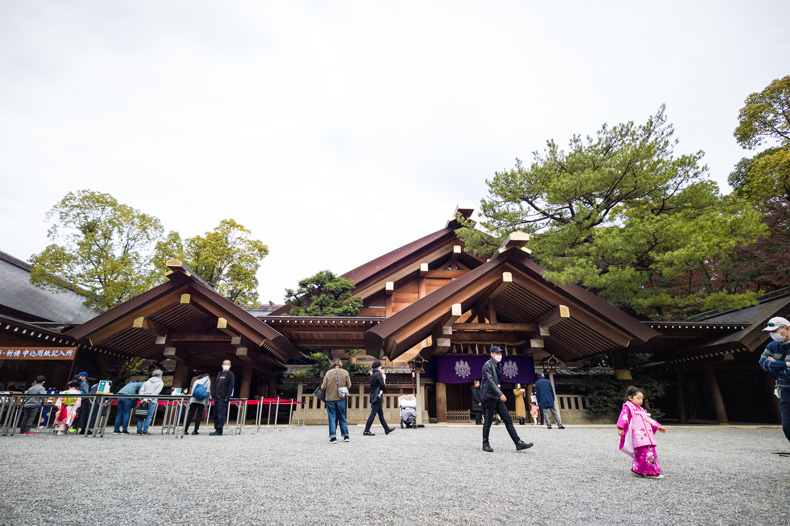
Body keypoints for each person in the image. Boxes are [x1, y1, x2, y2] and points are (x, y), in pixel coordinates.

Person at [480, 346, 533, 452]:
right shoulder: (487, 366)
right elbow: (490, 382)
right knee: (489, 420)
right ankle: (485, 443)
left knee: (507, 418)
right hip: (489, 396)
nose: (500, 355)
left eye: (500, 353)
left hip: (496, 395)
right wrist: (500, 394)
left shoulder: (498, 365)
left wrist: (499, 394)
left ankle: (518, 442)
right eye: (497, 353)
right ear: (492, 354)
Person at [617, 386, 666, 478]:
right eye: (638, 398)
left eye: (642, 399)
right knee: (645, 452)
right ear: (630, 398)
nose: (640, 401)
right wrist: (621, 427)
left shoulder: (642, 410)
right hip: (638, 435)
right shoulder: (628, 407)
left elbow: (648, 419)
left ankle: (639, 469)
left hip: (646, 435)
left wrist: (658, 426)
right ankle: (649, 471)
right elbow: (623, 416)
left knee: (646, 451)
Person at [759, 316, 790, 445]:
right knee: (787, 426)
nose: (773, 334)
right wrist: (784, 364)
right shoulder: (772, 346)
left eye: (775, 331)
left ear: (787, 328)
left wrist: (775, 365)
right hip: (785, 391)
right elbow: (763, 363)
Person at [320, 358, 352, 443]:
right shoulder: (345, 372)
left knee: (332, 417)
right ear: (340, 363)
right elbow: (349, 385)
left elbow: (324, 386)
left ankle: (333, 437)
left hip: (330, 398)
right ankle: (346, 436)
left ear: (332, 364)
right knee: (342, 416)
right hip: (341, 398)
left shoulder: (328, 373)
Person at [363, 360, 395, 436]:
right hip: (377, 396)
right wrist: (384, 390)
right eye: (380, 366)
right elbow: (382, 384)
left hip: (373, 395)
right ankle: (366, 430)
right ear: (378, 366)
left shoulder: (372, 374)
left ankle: (386, 429)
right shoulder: (378, 374)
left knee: (380, 414)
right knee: (373, 414)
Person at [211, 360, 235, 436]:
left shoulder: (230, 375)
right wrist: (213, 395)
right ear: (222, 365)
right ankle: (216, 428)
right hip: (217, 397)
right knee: (215, 413)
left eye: (228, 364)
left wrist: (227, 396)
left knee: (221, 413)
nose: (226, 366)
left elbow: (230, 386)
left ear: (230, 366)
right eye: (225, 364)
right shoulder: (219, 373)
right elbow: (216, 385)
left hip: (223, 397)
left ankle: (219, 429)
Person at [136, 370, 163, 435]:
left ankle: (139, 431)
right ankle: (145, 431)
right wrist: (150, 399)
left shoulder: (147, 382)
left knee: (141, 416)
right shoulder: (160, 382)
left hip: (143, 400)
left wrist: (141, 398)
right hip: (152, 401)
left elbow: (141, 390)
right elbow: (156, 392)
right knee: (149, 416)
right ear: (159, 375)